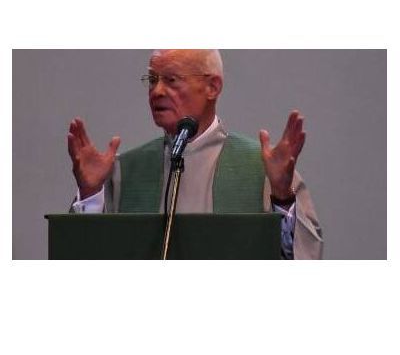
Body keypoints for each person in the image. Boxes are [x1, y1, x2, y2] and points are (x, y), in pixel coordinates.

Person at [68, 49, 323, 259]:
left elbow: (301, 258)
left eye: (171, 80)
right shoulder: (126, 171)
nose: (156, 91)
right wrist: (90, 195)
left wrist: (282, 197)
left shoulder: (262, 168)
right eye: (152, 79)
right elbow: (86, 258)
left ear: (212, 86)